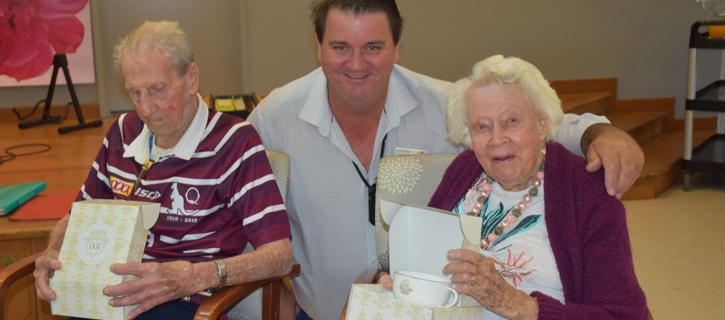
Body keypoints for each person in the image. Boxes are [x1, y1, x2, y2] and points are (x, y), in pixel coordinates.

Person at [246, 0, 643, 318]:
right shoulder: (274, 119)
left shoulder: (441, 105)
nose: (356, 63)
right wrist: (273, 296)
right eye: (339, 47)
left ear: (397, 49)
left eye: (373, 47)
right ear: (318, 47)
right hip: (321, 312)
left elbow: (538, 122)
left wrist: (597, 133)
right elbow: (229, 200)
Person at [33, 21, 293, 320]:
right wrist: (54, 250)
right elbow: (78, 216)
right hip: (114, 298)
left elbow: (280, 256)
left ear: (191, 79)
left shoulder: (234, 142)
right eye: (135, 93)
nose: (145, 108)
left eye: (157, 90)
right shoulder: (122, 133)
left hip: (186, 302)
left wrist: (195, 276)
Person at [382, 54, 648, 319]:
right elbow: (424, 257)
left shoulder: (587, 192)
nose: (497, 139)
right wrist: (399, 282)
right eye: (482, 126)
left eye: (511, 121)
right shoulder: (464, 169)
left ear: (541, 124)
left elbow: (623, 316)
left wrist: (517, 305)